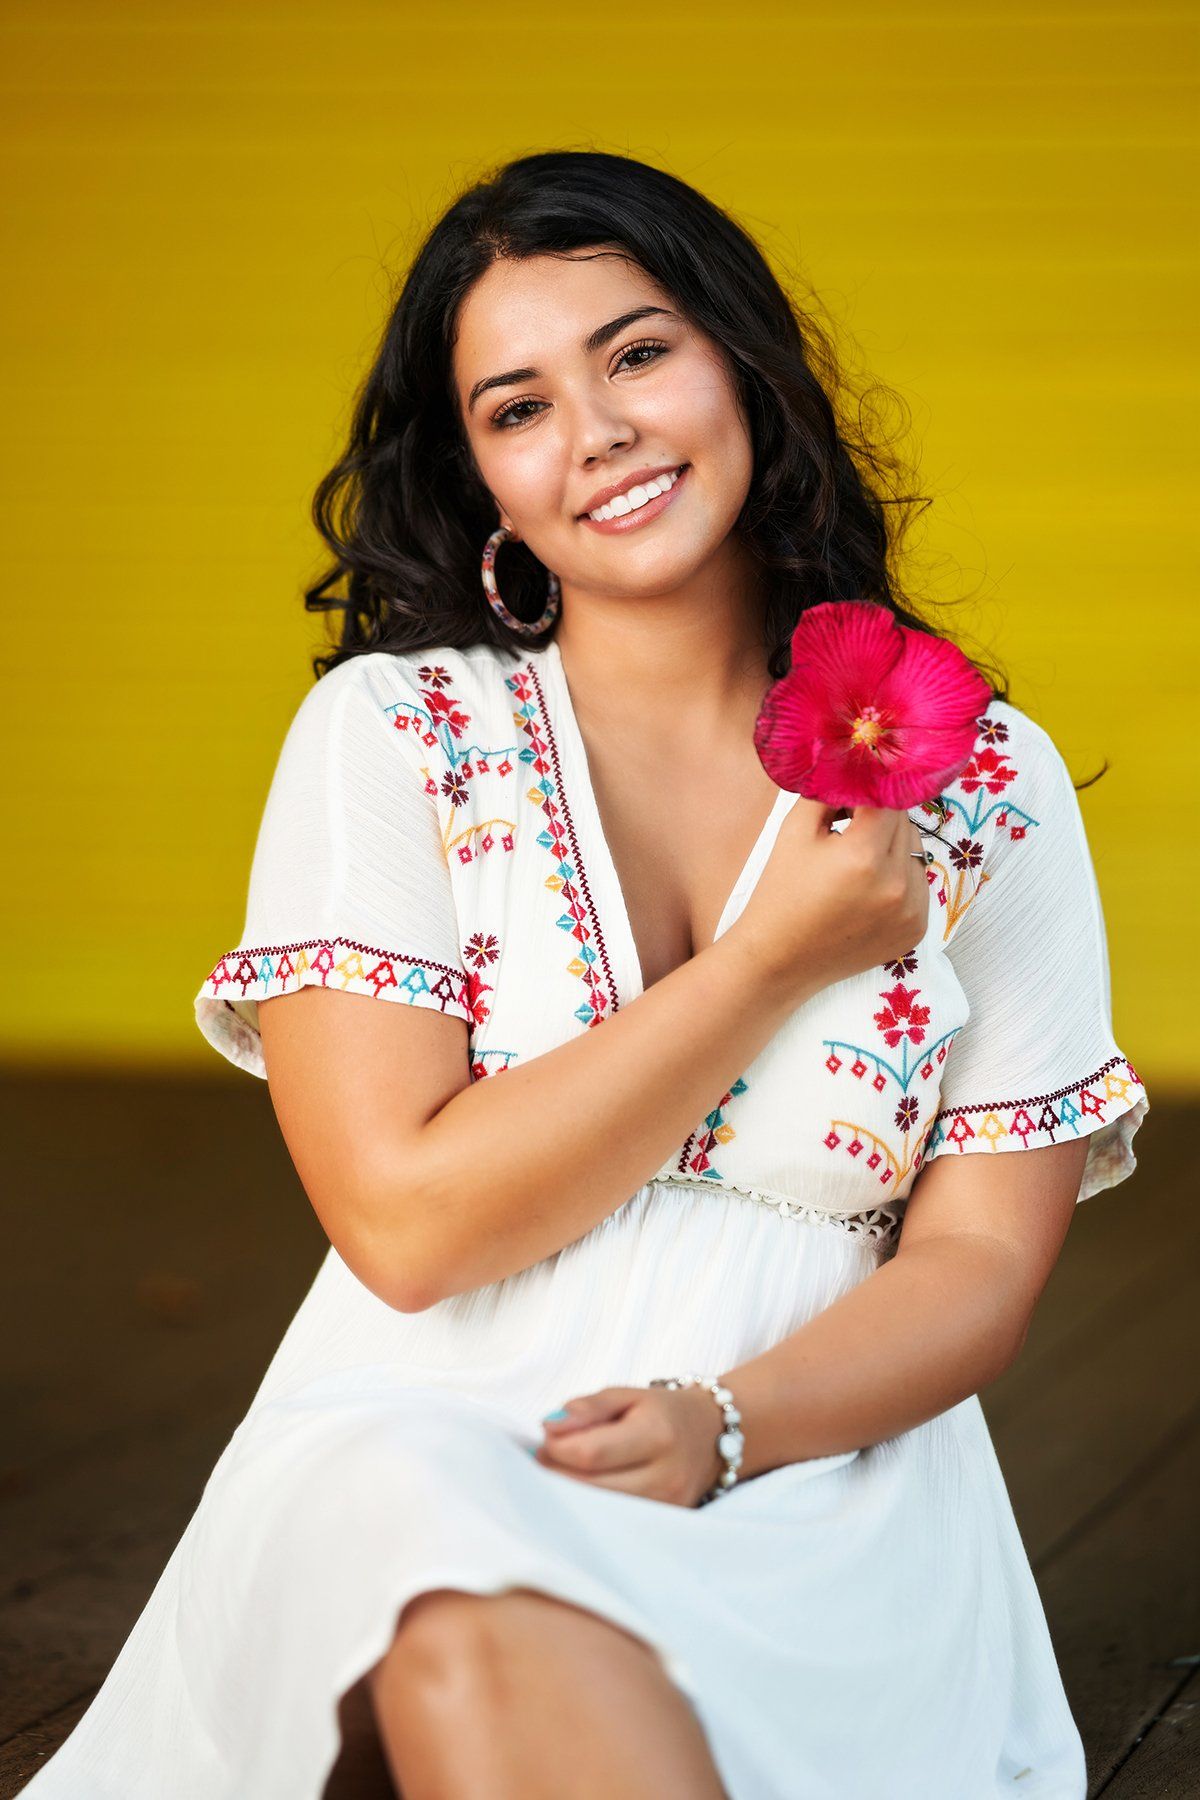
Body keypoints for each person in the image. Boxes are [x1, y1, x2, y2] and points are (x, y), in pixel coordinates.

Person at [19, 149, 1149, 1800]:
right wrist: (773, 962)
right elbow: (409, 1228)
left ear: (744, 368)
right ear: (480, 478)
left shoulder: (979, 774)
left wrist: (731, 1425)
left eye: (636, 353)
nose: (599, 431)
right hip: (423, 1433)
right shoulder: (395, 737)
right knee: (451, 1596)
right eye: (517, 405)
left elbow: (982, 1262)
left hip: (822, 1487)